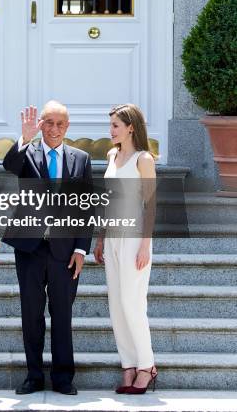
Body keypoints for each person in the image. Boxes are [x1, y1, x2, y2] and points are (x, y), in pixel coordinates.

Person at [2, 102, 92, 396]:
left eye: (60, 124)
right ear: (40, 123)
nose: (54, 129)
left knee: (62, 314)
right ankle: (34, 375)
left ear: (68, 127)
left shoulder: (81, 158)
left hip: (65, 251)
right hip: (30, 247)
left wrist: (81, 250)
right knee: (31, 313)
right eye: (49, 123)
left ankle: (63, 377)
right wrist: (25, 138)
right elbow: (9, 165)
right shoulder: (27, 152)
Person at [94, 103, 158, 395]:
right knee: (117, 305)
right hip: (113, 237)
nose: (111, 131)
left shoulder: (144, 159)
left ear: (131, 127)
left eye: (116, 126)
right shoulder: (111, 155)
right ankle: (128, 366)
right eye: (110, 126)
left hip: (135, 239)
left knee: (133, 304)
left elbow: (152, 205)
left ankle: (147, 366)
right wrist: (101, 238)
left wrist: (145, 244)